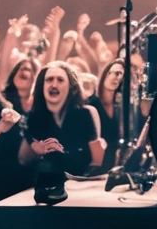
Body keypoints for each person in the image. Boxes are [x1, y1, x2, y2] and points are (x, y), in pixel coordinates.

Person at [19, 61, 105, 202]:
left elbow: (97, 163)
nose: (54, 84)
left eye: (60, 80)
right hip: (48, 195)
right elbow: (24, 160)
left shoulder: (87, 114)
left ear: (71, 87)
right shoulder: (34, 118)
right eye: (49, 80)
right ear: (42, 86)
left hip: (84, 193)